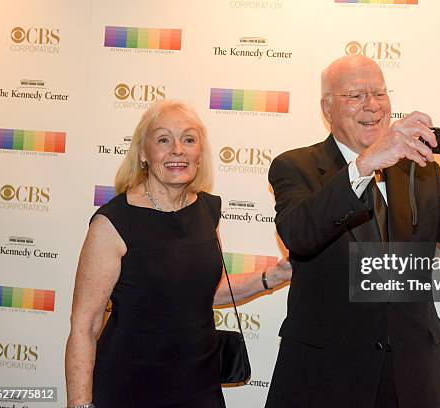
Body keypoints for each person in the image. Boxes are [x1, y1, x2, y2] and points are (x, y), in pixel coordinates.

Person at [265, 55, 440, 408]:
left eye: (379, 93)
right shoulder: (295, 166)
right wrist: (365, 165)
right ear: (326, 107)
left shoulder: (421, 170)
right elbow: (300, 235)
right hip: (328, 377)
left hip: (414, 377)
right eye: (355, 95)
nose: (372, 105)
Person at [65, 99, 291, 408]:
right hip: (129, 386)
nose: (177, 150)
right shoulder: (113, 222)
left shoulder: (207, 211)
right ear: (143, 152)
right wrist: (79, 405)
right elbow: (85, 325)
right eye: (163, 140)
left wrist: (274, 276)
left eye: (188, 139)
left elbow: (203, 293)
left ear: (200, 152)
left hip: (199, 384)